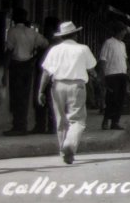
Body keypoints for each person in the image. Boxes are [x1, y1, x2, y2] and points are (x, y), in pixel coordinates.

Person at [37, 21, 97, 165]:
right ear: (75, 34)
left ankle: (62, 149)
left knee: (60, 120)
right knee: (77, 119)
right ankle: (69, 145)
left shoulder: (54, 50)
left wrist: (40, 91)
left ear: (61, 36)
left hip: (57, 86)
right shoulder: (83, 49)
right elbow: (91, 68)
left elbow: (46, 72)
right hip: (77, 86)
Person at [4, 7, 48, 136]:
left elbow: (9, 51)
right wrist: (34, 57)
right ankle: (22, 125)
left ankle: (18, 126)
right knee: (25, 96)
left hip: (16, 67)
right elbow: (45, 44)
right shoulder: (32, 32)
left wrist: (5, 69)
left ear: (15, 18)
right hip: (28, 67)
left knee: (16, 96)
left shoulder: (12, 31)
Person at [99, 21, 129, 130]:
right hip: (111, 75)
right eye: (123, 31)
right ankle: (106, 120)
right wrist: (102, 76)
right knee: (112, 99)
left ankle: (115, 122)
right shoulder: (108, 43)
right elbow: (102, 60)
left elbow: (124, 59)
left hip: (122, 74)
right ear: (118, 31)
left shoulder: (123, 44)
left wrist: (128, 71)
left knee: (120, 99)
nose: (124, 34)